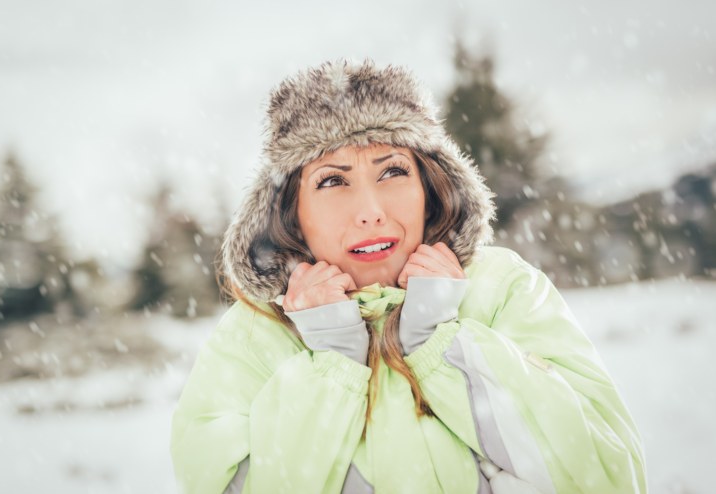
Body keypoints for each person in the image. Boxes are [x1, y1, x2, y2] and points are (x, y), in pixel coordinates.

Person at [170, 59, 646, 494]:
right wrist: (331, 363)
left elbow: (610, 473)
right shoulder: (252, 336)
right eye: (333, 181)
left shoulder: (505, 289)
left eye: (392, 171)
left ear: (430, 188)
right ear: (291, 214)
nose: (370, 212)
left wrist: (442, 345)